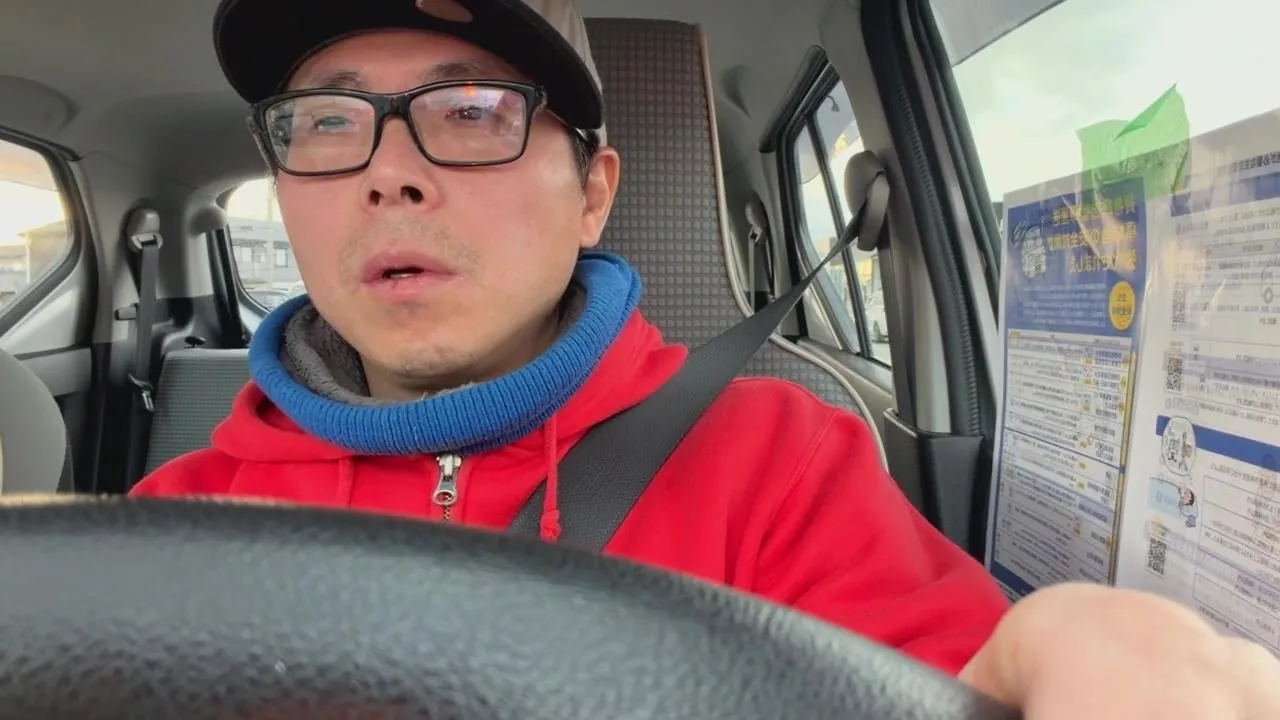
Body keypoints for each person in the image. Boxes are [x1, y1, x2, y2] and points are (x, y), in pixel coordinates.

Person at [134, 0, 1280, 714]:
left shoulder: (782, 461)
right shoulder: (170, 525)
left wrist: (1052, 661)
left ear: (592, 194)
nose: (389, 173)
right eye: (328, 123)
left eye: (472, 111)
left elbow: (948, 671)